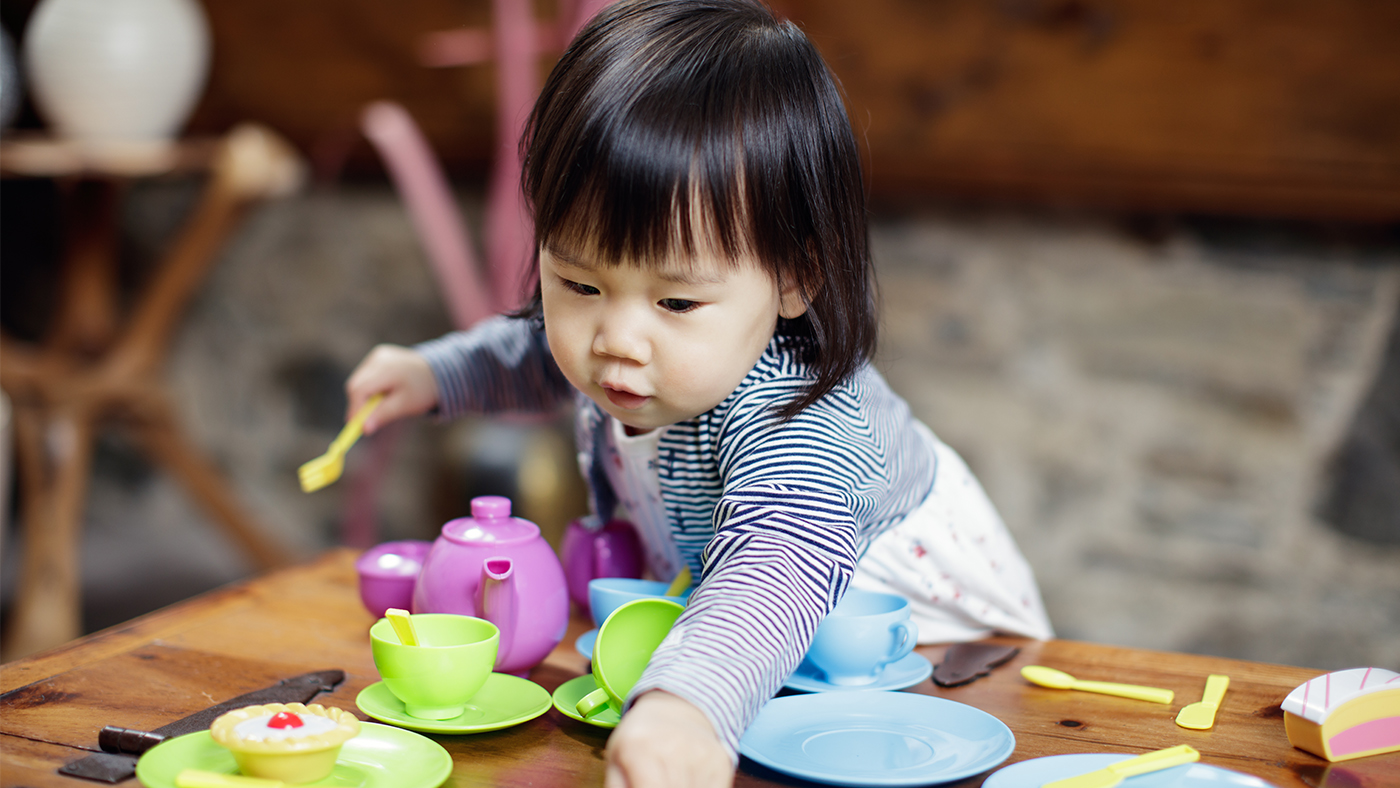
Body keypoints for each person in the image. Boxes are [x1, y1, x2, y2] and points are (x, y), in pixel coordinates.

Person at [345, 1, 1053, 785]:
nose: (615, 338)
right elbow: (529, 349)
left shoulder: (803, 422)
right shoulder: (638, 349)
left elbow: (773, 568)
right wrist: (433, 374)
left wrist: (688, 706)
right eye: (579, 281)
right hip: (752, 668)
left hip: (936, 674)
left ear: (794, 276)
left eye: (674, 302)